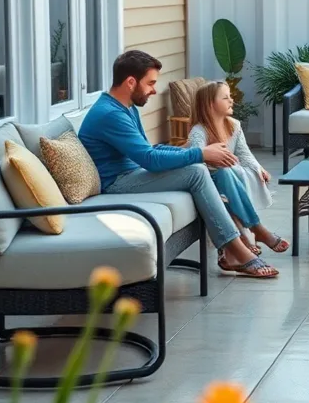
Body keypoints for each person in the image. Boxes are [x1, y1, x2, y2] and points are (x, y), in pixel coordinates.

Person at [78, 50, 279, 279]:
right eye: (150, 83)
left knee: (209, 170)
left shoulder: (126, 108)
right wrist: (199, 154)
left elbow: (149, 149)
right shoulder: (110, 114)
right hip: (116, 183)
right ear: (131, 82)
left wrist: (186, 151)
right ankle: (237, 249)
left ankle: (239, 243)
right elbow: (150, 160)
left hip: (131, 172)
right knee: (196, 171)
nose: (154, 90)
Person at [187, 81, 289, 258]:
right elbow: (196, 163)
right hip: (206, 180)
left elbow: (244, 154)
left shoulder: (233, 125)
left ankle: (246, 237)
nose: (231, 101)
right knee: (225, 172)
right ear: (211, 104)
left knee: (240, 172)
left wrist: (259, 168)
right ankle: (257, 228)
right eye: (225, 98)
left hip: (229, 178)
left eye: (230, 97)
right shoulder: (199, 131)